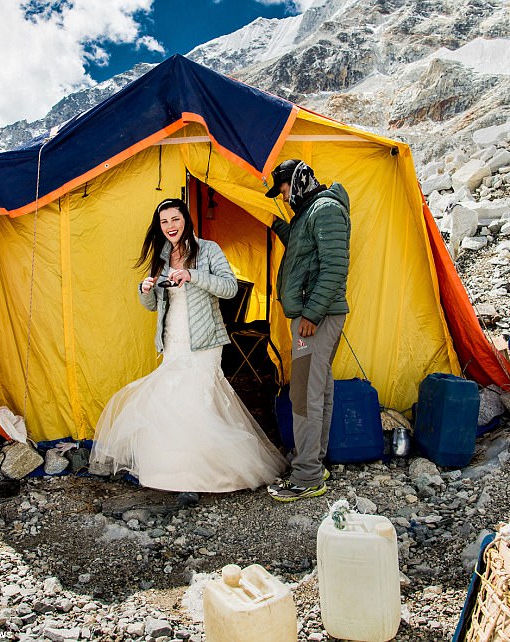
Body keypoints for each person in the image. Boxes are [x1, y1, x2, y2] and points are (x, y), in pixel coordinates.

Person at [89, 198, 287, 492]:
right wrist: (145, 289)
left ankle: (203, 476)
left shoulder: (208, 249)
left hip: (204, 340)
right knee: (175, 403)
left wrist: (192, 275)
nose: (170, 226)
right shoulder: (163, 256)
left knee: (197, 401)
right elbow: (154, 306)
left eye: (175, 219)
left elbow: (230, 288)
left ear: (187, 220)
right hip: (172, 340)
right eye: (164, 222)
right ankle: (177, 474)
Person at [263, 159, 351, 502]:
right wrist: (275, 224)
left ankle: (307, 476)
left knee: (303, 396)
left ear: (297, 181)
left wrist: (311, 314)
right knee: (319, 387)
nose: (284, 198)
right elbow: (303, 249)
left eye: (283, 190)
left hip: (317, 318)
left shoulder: (326, 209)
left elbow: (334, 267)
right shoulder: (310, 212)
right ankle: (315, 461)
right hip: (314, 316)